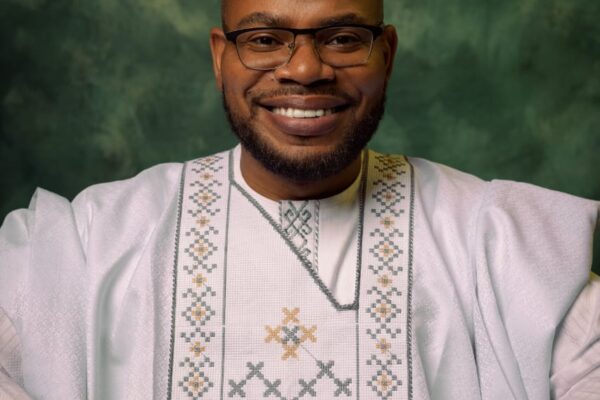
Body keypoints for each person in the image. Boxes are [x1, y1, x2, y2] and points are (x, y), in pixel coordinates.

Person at [1, 0, 598, 398]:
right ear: (220, 57)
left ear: (387, 54)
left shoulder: (495, 240)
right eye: (265, 39)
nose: (307, 69)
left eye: (343, 38)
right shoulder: (92, 242)